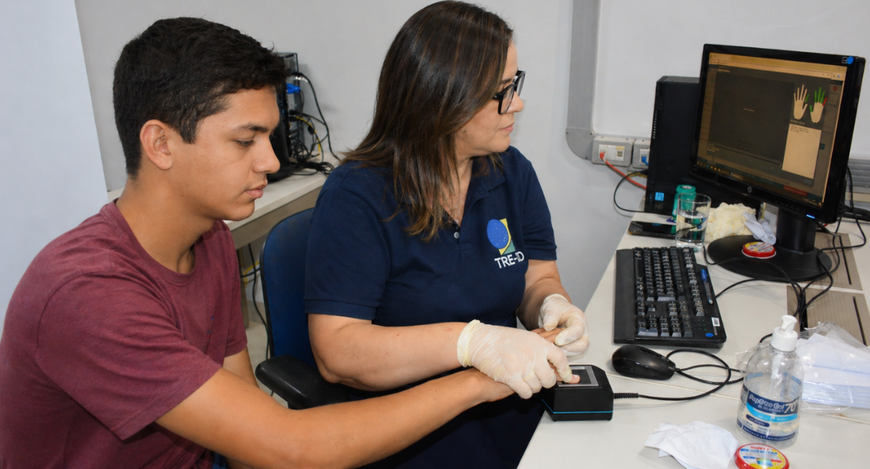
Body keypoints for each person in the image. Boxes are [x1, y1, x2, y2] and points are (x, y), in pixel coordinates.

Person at [0, 17, 515, 469]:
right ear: (160, 143)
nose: (270, 162)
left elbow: (248, 431)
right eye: (245, 141)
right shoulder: (87, 293)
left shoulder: (211, 238)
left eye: (269, 138)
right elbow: (289, 445)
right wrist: (478, 377)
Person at [305, 2, 590, 468]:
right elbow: (337, 351)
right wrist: (471, 342)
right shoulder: (357, 196)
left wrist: (553, 306)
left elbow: (537, 276)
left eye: (515, 85)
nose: (517, 103)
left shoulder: (511, 173)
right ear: (443, 98)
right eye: (501, 91)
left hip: (502, 397)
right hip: (409, 422)